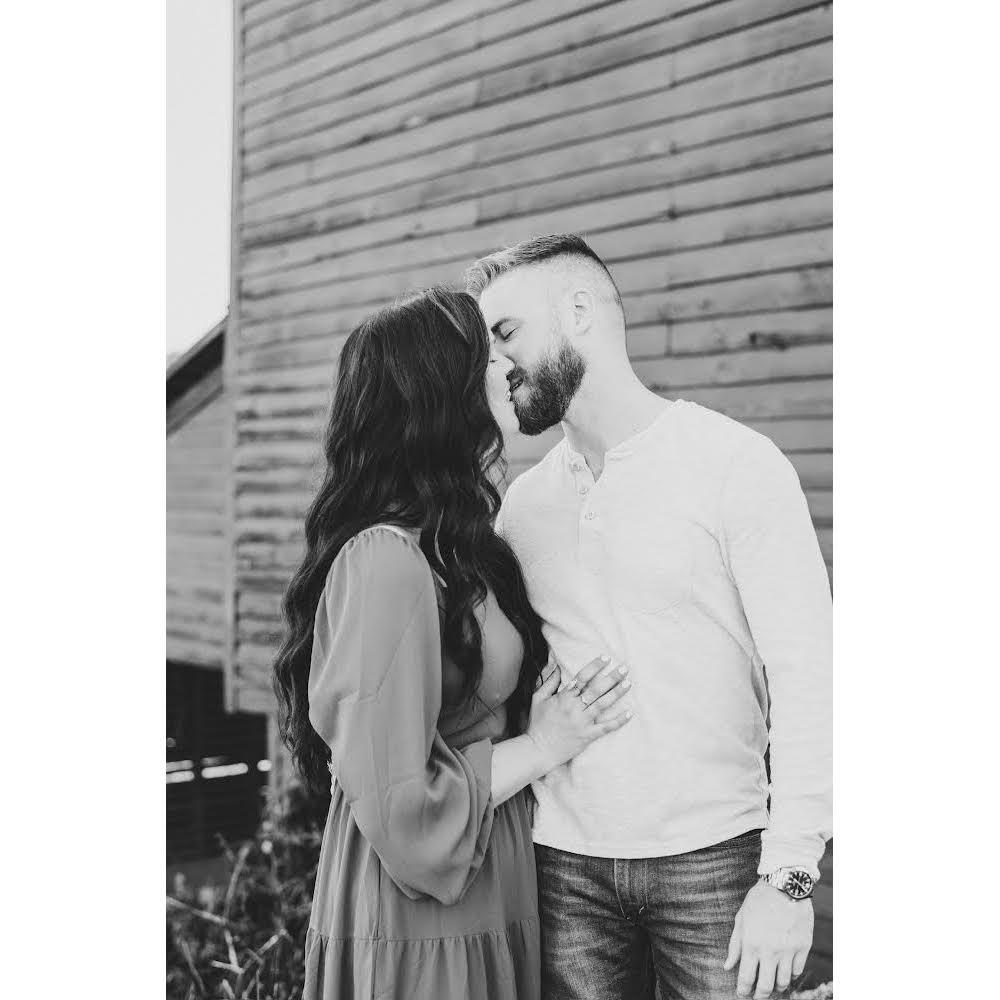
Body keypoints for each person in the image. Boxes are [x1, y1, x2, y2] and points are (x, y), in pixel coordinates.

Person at [467, 235, 833, 1000]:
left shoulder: (735, 465)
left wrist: (791, 875)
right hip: (562, 868)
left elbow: (810, 674)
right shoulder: (524, 508)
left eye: (506, 333)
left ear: (579, 311)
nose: (495, 364)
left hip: (714, 860)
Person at [271, 286, 633, 1000]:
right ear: (442, 392)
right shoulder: (385, 560)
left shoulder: (456, 544)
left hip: (486, 881)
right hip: (423, 915)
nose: (508, 365)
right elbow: (402, 809)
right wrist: (545, 744)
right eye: (487, 355)